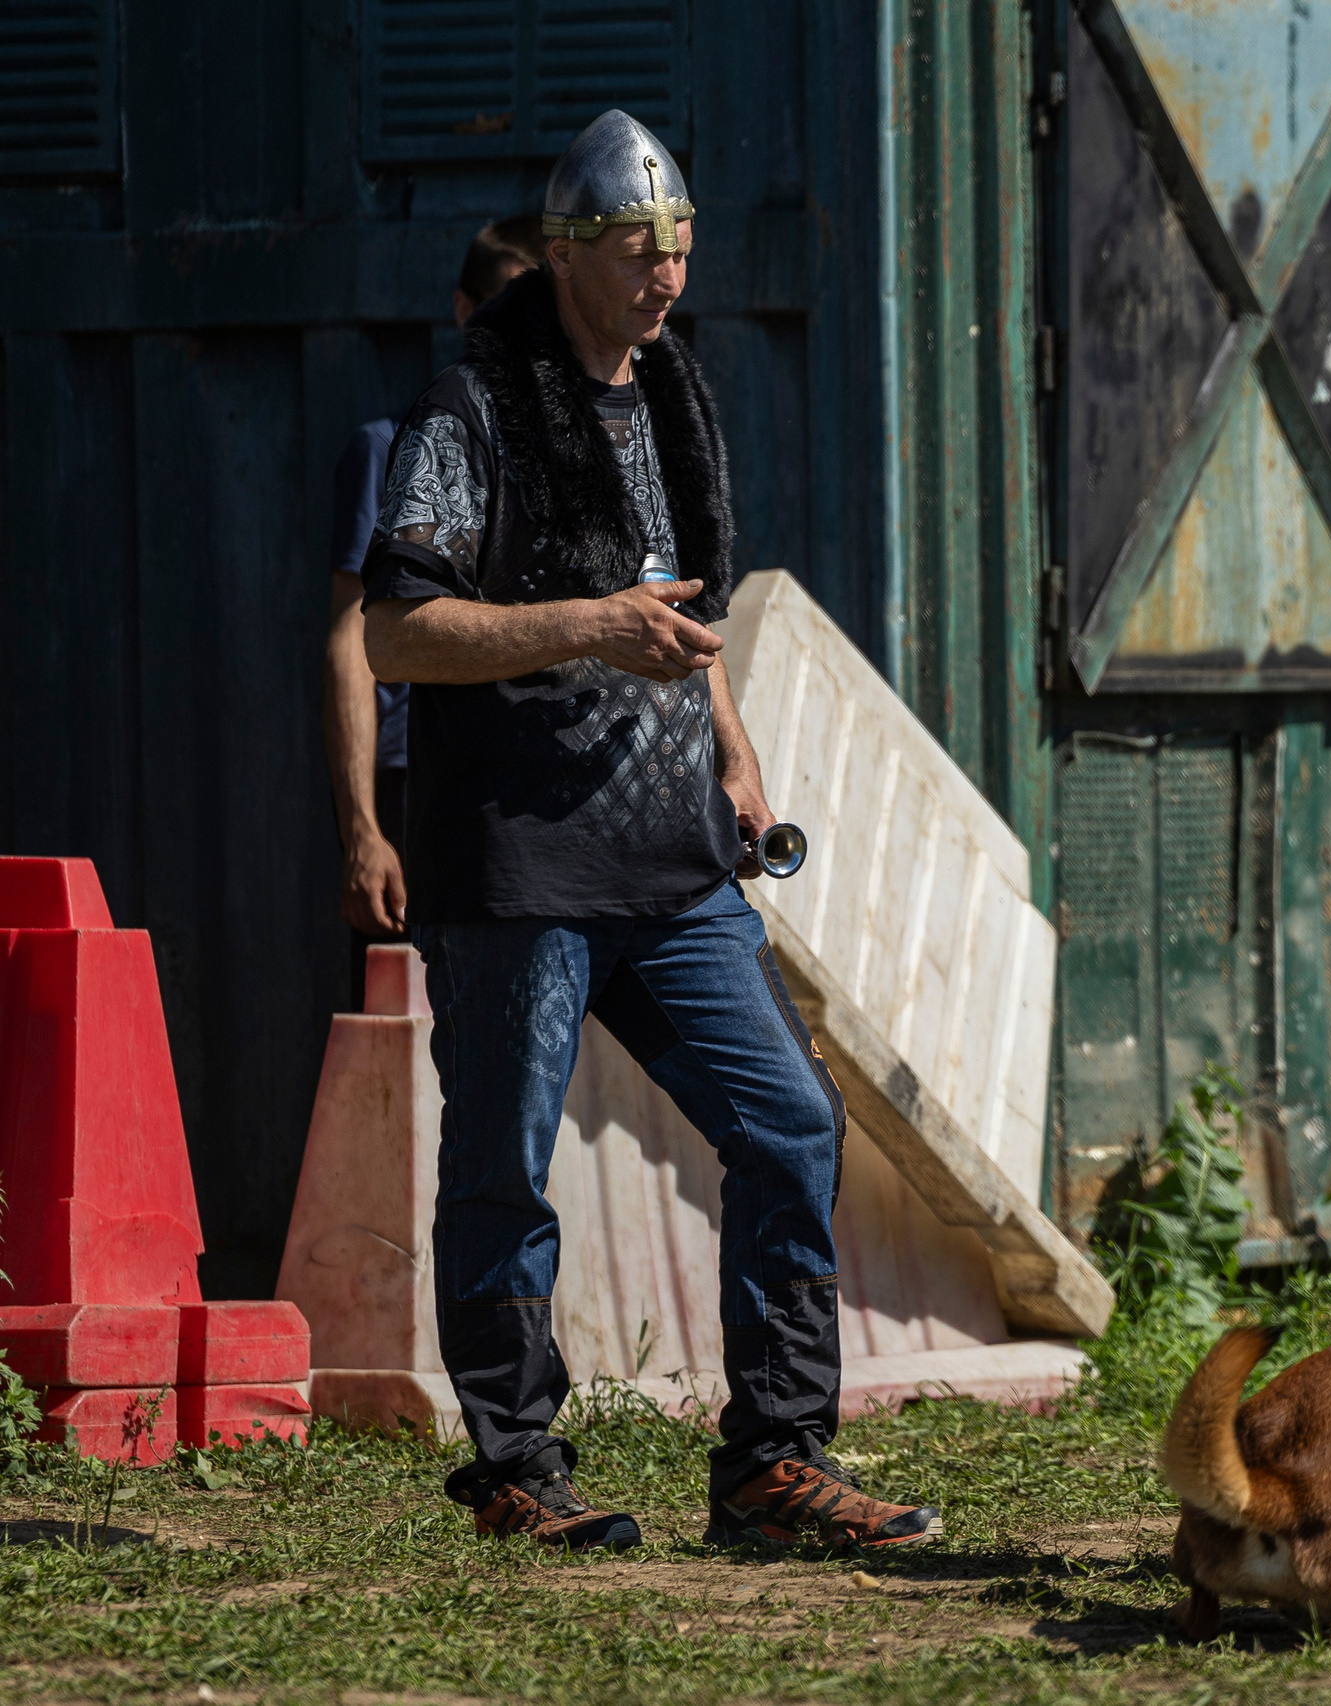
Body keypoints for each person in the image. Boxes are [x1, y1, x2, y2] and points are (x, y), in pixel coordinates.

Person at [361, 109, 941, 1554]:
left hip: (675, 861)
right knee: (503, 1159)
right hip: (521, 865)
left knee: (792, 1122)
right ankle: (515, 1465)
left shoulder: (674, 390)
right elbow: (396, 630)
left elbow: (683, 609)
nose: (664, 275)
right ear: (565, 252)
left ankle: (773, 1462)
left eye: (677, 246)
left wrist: (735, 750)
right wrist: (587, 625)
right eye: (634, 249)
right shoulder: (470, 406)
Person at [323, 216, 546, 991]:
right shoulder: (391, 447)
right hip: (414, 780)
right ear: (463, 310)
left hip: (520, 786)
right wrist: (363, 832)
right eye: (508, 304)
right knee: (402, 1029)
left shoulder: (559, 463)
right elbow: (352, 642)